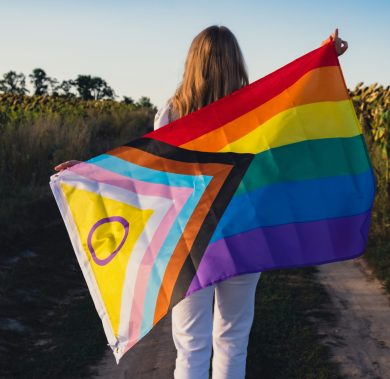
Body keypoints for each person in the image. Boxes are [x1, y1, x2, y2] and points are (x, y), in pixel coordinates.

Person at [54, 26, 348, 379]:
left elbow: (148, 173)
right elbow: (293, 108)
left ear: (194, 63)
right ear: (236, 62)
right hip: (243, 237)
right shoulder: (254, 111)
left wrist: (92, 173)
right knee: (233, 339)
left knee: (191, 344)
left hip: (192, 241)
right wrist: (324, 57)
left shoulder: (172, 113)